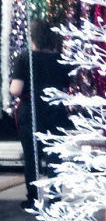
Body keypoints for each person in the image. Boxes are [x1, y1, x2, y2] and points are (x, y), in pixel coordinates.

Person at [10, 18, 70, 209]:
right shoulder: (61, 58)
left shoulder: (24, 57)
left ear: (32, 37)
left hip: (32, 111)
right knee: (55, 157)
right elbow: (67, 84)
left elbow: (16, 89)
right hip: (55, 110)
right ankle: (55, 200)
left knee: (31, 156)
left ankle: (34, 199)